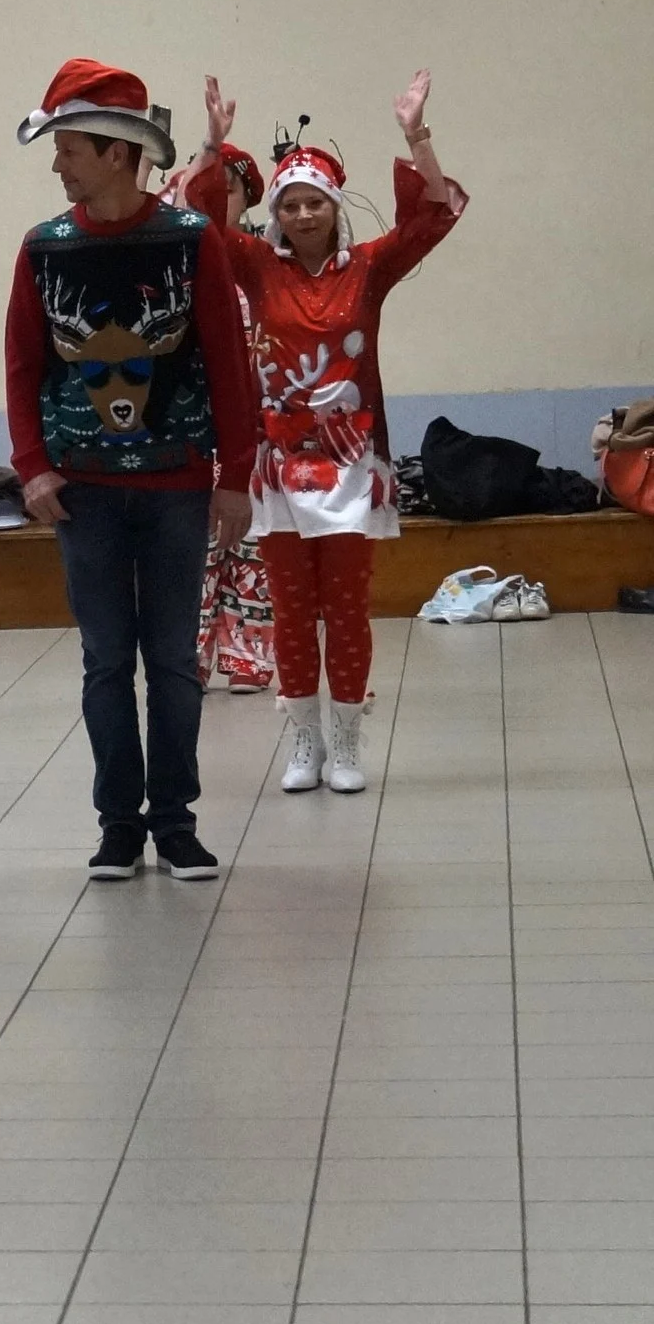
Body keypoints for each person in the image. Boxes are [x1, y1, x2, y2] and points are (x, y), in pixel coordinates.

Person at [5, 60, 257, 883]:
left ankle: (174, 820)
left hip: (177, 486)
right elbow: (23, 365)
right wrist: (32, 467)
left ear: (116, 153)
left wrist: (234, 473)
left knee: (173, 662)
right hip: (81, 492)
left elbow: (227, 361)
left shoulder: (190, 239)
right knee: (105, 660)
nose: (56, 165)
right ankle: (117, 823)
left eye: (68, 148)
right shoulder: (44, 249)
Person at [193, 72, 466, 793]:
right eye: (291, 203)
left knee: (345, 611)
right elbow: (202, 223)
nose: (304, 213)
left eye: (315, 201)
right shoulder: (257, 267)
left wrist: (416, 135)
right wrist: (212, 144)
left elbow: (432, 218)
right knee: (290, 612)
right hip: (278, 467)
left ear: (334, 207)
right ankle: (303, 742)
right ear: (276, 212)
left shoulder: (368, 269)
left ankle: (346, 742)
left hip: (351, 468)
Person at [172, 144, 279, 697]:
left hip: (260, 429)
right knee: (196, 549)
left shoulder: (264, 264)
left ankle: (249, 653)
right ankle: (187, 655)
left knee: (254, 544)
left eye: (224, 191)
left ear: (248, 197)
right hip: (195, 431)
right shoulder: (177, 270)